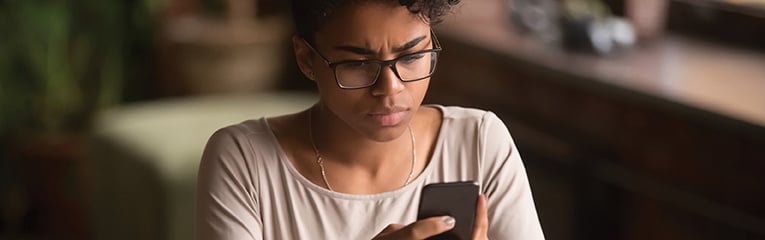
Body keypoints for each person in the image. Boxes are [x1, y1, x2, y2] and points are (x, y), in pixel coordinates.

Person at [195, 0, 545, 239]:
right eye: (359, 64)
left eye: (411, 56)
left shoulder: (479, 142)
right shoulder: (245, 160)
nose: (390, 89)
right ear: (306, 58)